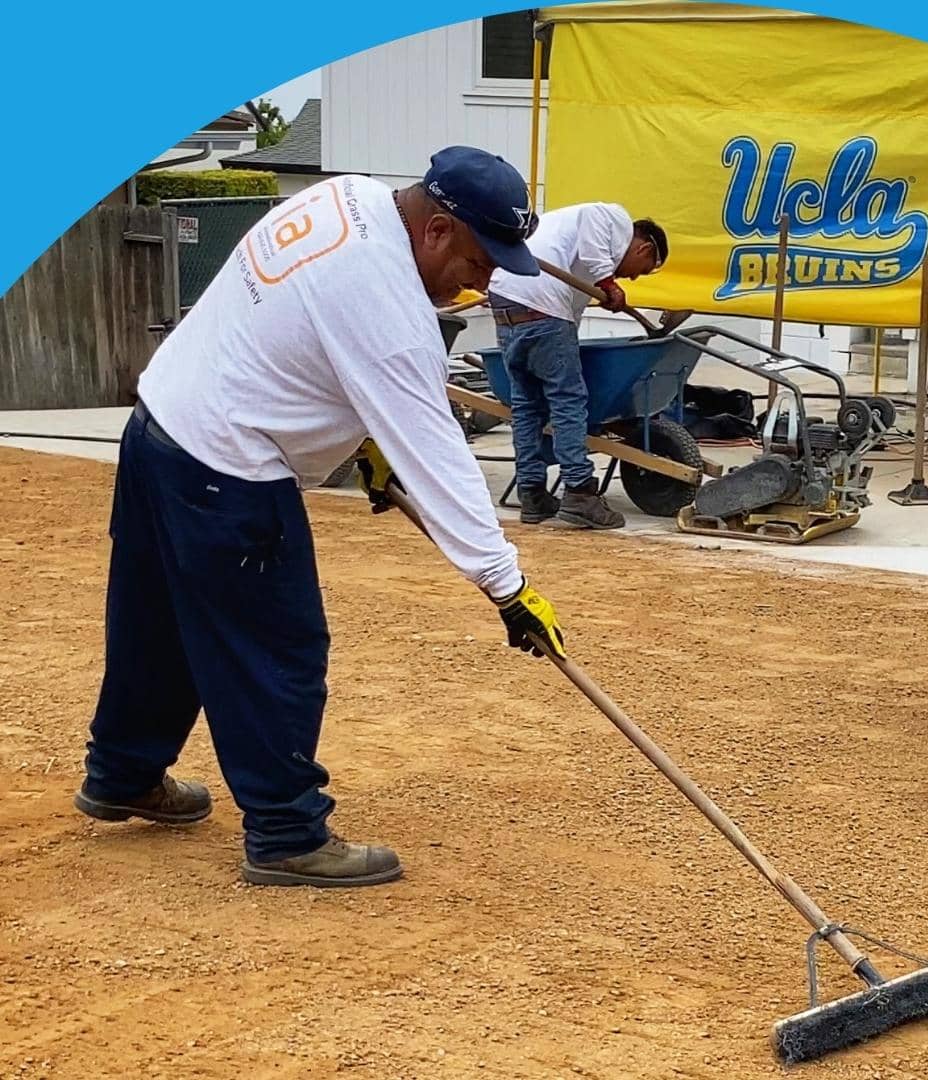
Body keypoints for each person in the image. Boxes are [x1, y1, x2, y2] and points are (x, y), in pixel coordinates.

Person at [72, 147, 568, 889]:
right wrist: (508, 588)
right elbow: (440, 460)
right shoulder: (389, 306)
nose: (484, 281)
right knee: (278, 648)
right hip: (228, 468)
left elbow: (303, 333)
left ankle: (122, 773)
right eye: (478, 259)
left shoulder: (347, 198)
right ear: (436, 230)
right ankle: (286, 831)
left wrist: (364, 441)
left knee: (160, 625)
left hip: (161, 428)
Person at [486, 208, 682, 529]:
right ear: (644, 248)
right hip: (539, 299)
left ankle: (532, 493)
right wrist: (610, 285)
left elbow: (570, 315)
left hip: (507, 299)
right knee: (568, 401)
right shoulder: (612, 217)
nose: (630, 278)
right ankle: (580, 493)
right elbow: (593, 244)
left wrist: (603, 290)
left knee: (527, 407)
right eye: (640, 272)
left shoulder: (567, 246)